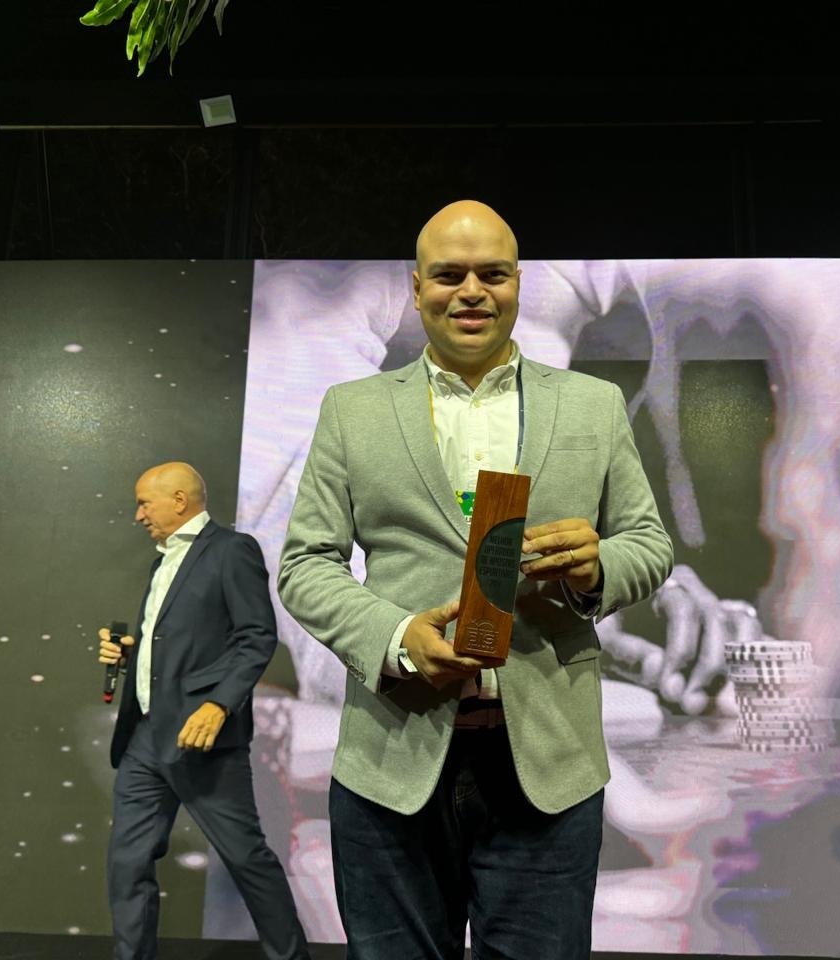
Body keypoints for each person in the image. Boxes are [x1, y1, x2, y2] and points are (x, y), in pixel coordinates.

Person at [277, 200, 674, 959]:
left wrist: (599, 570)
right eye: (448, 275)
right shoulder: (352, 411)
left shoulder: (593, 406)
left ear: (518, 283)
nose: (471, 291)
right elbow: (305, 564)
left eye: (492, 274)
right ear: (415, 286)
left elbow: (648, 544)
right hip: (390, 767)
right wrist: (396, 637)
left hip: (548, 769)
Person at [96, 461, 309, 960]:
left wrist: (218, 705)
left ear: (179, 500)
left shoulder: (232, 550)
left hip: (202, 738)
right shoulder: (161, 562)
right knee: (127, 862)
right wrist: (132, 654)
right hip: (144, 738)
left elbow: (256, 636)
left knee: (246, 858)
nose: (138, 515)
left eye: (144, 503)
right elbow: (177, 642)